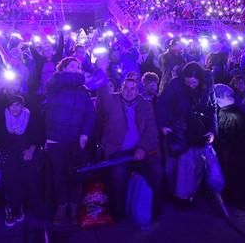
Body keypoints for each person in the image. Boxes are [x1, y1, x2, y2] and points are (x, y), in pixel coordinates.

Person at [96, 78, 162, 219]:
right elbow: (102, 100)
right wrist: (101, 73)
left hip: (139, 149)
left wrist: (143, 148)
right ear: (121, 88)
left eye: (133, 88)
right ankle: (118, 213)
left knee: (156, 171)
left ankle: (154, 210)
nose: (129, 92)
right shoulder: (112, 102)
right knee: (118, 175)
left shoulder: (145, 105)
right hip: (118, 150)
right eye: (126, 88)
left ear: (138, 90)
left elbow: (151, 131)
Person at [157, 62, 218, 202]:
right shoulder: (175, 84)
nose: (191, 85)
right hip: (176, 129)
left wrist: (212, 130)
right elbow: (161, 103)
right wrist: (163, 125)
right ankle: (174, 194)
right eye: (188, 82)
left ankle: (190, 193)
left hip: (197, 131)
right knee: (173, 164)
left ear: (200, 80)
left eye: (194, 83)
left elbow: (212, 108)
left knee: (195, 163)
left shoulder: (207, 86)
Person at [43, 57, 94, 226]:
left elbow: (89, 114)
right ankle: (61, 206)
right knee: (58, 175)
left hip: (75, 139)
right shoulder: (55, 83)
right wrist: (81, 76)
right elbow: (59, 80)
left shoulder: (83, 91)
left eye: (78, 66)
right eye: (72, 66)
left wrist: (85, 134)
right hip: (55, 137)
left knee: (75, 174)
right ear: (63, 68)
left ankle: (73, 207)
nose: (76, 68)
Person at [0, 95, 43, 227]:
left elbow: (37, 138)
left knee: (26, 179)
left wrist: (30, 151)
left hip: (25, 153)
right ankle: (10, 209)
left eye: (17, 105)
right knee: (9, 180)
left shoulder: (29, 116)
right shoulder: (2, 117)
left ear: (22, 106)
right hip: (8, 155)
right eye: (12, 105)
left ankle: (21, 206)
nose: (14, 108)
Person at [214, 84, 245, 210]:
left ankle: (238, 199)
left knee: (236, 176)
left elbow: (225, 136)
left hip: (235, 153)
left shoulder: (226, 114)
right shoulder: (241, 110)